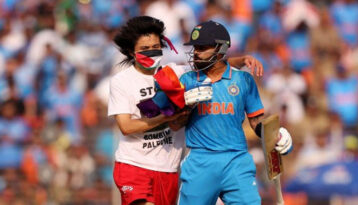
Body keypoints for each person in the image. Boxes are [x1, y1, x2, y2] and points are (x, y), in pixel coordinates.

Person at [108, 16, 264, 205]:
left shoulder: (176, 74)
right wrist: (167, 117)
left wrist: (243, 59)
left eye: (155, 47)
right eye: (144, 49)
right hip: (134, 165)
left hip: (168, 168)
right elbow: (126, 127)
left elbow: (213, 64)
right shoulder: (121, 81)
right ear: (131, 51)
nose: (151, 53)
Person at [177, 21, 293, 205]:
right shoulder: (187, 80)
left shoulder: (243, 80)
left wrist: (275, 136)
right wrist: (185, 109)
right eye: (195, 47)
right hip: (200, 161)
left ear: (221, 49)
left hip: (236, 160)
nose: (196, 52)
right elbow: (174, 124)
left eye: (202, 47)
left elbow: (256, 123)